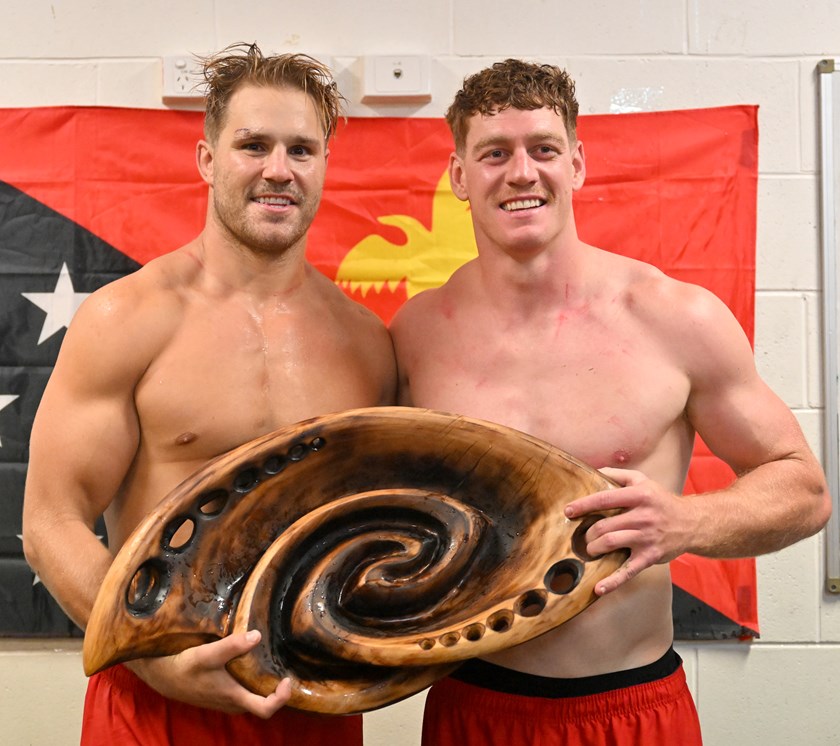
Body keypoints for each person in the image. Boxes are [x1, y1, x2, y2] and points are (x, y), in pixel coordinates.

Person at [389, 58, 831, 746]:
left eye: (543, 149)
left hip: (628, 708)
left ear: (577, 164)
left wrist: (686, 521)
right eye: (495, 153)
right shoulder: (418, 334)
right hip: (470, 704)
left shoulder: (675, 317)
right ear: (459, 176)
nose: (522, 173)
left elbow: (804, 488)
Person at [22, 42, 395, 746]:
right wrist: (153, 654)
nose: (278, 169)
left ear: (324, 165)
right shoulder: (128, 319)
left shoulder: (366, 344)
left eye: (301, 150)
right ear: (207, 159)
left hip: (309, 703)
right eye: (253, 145)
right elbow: (51, 521)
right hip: (153, 703)